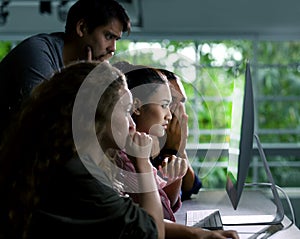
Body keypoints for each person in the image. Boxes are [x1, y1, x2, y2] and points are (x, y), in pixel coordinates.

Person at [0, 61, 165, 239]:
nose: (132, 125)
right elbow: (152, 233)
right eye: (126, 111)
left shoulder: (60, 161)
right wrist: (143, 164)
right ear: (98, 113)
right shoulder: (79, 176)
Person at [114, 62, 239, 239]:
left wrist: (178, 148)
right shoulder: (127, 157)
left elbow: (186, 190)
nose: (173, 114)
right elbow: (155, 221)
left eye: (180, 104)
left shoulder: (144, 147)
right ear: (136, 106)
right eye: (167, 104)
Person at [0, 0, 131, 141]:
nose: (113, 48)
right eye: (109, 36)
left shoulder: (82, 69)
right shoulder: (37, 53)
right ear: (82, 28)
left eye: (116, 39)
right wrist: (85, 83)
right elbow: (47, 127)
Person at [156, 69, 202, 201]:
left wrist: (180, 149)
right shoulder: (146, 141)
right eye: (172, 101)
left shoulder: (168, 138)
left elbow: (190, 187)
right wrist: (171, 151)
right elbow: (166, 202)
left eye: (182, 102)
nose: (180, 109)